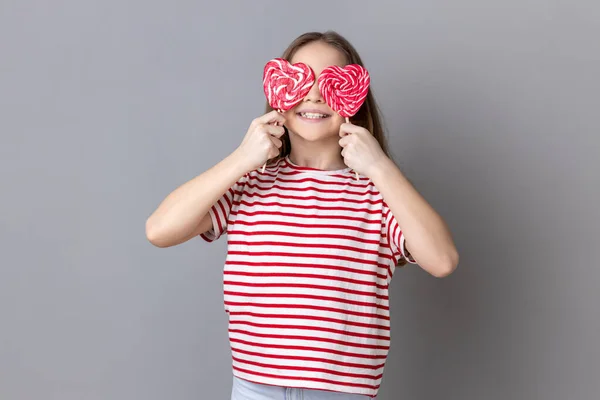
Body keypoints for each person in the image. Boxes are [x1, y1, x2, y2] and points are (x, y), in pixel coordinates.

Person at [146, 30, 459, 400]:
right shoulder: (249, 184)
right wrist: (242, 158)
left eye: (330, 83)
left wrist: (381, 168)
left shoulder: (377, 195)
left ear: (354, 97)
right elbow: (159, 230)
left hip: (341, 392)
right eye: (300, 80)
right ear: (278, 92)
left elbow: (442, 260)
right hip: (253, 388)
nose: (312, 95)